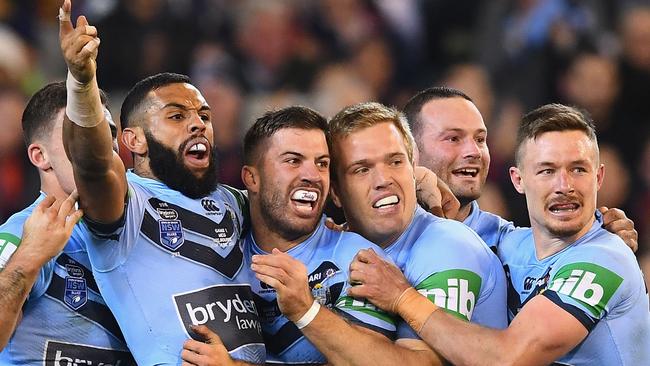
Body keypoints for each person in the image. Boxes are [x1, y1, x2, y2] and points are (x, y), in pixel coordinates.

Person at [350, 104, 650, 365]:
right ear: (518, 180)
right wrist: (416, 176)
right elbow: (451, 220)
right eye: (547, 170)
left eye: (578, 170)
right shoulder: (510, 242)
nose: (564, 185)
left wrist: (402, 297)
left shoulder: (603, 261)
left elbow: (508, 358)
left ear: (598, 177)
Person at [58, 1, 264, 364]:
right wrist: (81, 81)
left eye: (204, 115)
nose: (198, 123)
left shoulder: (236, 201)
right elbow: (90, 163)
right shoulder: (126, 204)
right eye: (177, 116)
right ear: (133, 141)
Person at [183, 106, 454, 365]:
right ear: (252, 179)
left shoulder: (360, 261)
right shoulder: (223, 245)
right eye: (293, 161)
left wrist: (306, 310)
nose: (312, 175)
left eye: (322, 163)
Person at [325, 102, 507, 362]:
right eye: (362, 169)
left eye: (395, 162)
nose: (384, 180)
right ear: (336, 192)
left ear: (414, 168)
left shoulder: (449, 245)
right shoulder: (332, 243)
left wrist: (306, 312)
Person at [402, 86, 638, 250]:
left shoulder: (513, 248)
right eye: (453, 139)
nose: (473, 152)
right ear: (411, 152)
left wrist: (602, 246)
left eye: (480, 139)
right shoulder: (374, 229)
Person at [0, 82, 134, 364]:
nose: (99, 149)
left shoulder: (138, 228)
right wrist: (28, 258)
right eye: (82, 136)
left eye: (106, 135)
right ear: (41, 157)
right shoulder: (20, 234)